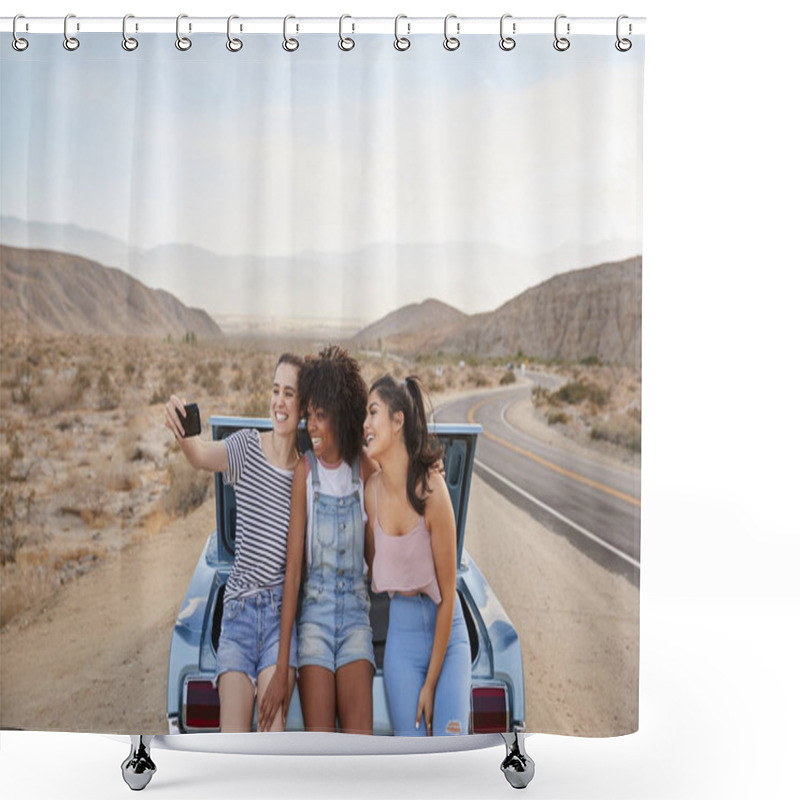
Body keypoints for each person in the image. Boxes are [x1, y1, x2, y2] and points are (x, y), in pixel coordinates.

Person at [163, 353, 303, 733]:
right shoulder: (245, 447)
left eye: (289, 394)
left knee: (271, 740)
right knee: (234, 745)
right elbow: (199, 456)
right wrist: (180, 425)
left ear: (303, 405)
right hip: (238, 614)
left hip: (279, 619)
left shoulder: (305, 473)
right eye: (276, 391)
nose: (279, 401)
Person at [259, 345, 376, 734]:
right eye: (308, 415)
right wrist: (281, 666)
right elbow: (294, 573)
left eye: (319, 417)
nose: (310, 426)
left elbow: (382, 552)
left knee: (361, 749)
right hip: (315, 621)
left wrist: (432, 467)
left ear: (341, 415)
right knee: (322, 748)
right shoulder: (304, 473)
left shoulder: (365, 467)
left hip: (358, 617)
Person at [363, 374, 470, 736]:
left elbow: (448, 593)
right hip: (401, 637)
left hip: (447, 634)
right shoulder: (370, 494)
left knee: (449, 750)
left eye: (373, 412)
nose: (366, 424)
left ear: (398, 420)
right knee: (412, 754)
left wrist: (430, 684)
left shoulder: (433, 490)